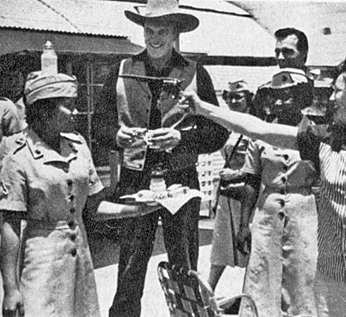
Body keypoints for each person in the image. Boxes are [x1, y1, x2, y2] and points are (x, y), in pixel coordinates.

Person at [182, 59, 346, 317]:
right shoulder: (325, 141)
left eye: (337, 91)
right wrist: (203, 108)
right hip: (330, 284)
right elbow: (259, 129)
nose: (331, 98)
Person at [93, 0, 229, 316]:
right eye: (149, 30)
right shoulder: (121, 70)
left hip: (181, 181)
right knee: (130, 266)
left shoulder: (196, 74)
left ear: (175, 33)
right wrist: (116, 136)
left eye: (162, 31)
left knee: (184, 268)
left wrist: (182, 138)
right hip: (134, 180)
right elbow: (100, 123)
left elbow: (218, 130)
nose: (155, 38)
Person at [0, 72, 104, 317]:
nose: (76, 112)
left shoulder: (78, 146)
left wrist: (142, 207)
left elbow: (92, 207)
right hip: (41, 262)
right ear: (44, 110)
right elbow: (10, 225)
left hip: (80, 261)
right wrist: (10, 288)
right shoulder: (18, 156)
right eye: (69, 106)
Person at [234, 69, 318, 317]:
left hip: (304, 211)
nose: (280, 102)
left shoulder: (314, 134)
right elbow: (251, 178)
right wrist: (244, 224)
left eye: (288, 96)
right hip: (267, 214)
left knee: (302, 275)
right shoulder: (259, 133)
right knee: (263, 273)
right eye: (275, 96)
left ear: (302, 98)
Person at [208, 80, 258, 292]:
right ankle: (208, 290)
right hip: (227, 193)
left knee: (248, 244)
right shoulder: (228, 126)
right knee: (220, 245)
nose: (233, 101)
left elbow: (259, 165)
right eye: (229, 97)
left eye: (239, 96)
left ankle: (250, 294)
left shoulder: (256, 125)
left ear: (249, 98)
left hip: (247, 193)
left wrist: (237, 173)